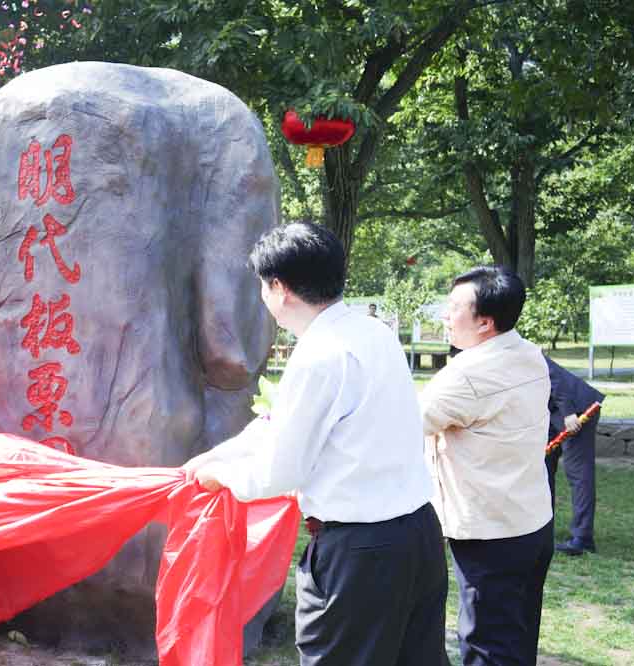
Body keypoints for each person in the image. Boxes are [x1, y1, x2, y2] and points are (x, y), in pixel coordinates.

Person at [184, 223, 447, 666]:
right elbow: (282, 425)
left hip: (361, 553)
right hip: (417, 535)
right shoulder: (372, 332)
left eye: (263, 287)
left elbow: (279, 474)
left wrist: (216, 475)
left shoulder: (319, 354)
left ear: (279, 288)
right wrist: (218, 456)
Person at [420, 266, 553, 666]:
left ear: (484, 323)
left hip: (489, 534)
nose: (445, 315)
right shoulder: (529, 354)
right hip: (532, 521)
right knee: (518, 634)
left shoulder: (467, 376)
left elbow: (401, 426)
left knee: (487, 646)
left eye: (454, 307)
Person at [544, 356, 604, 556]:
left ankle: (582, 538)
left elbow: (555, 379)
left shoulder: (516, 349)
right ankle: (541, 528)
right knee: (541, 469)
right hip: (551, 413)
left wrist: (569, 413)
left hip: (576, 409)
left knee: (578, 475)